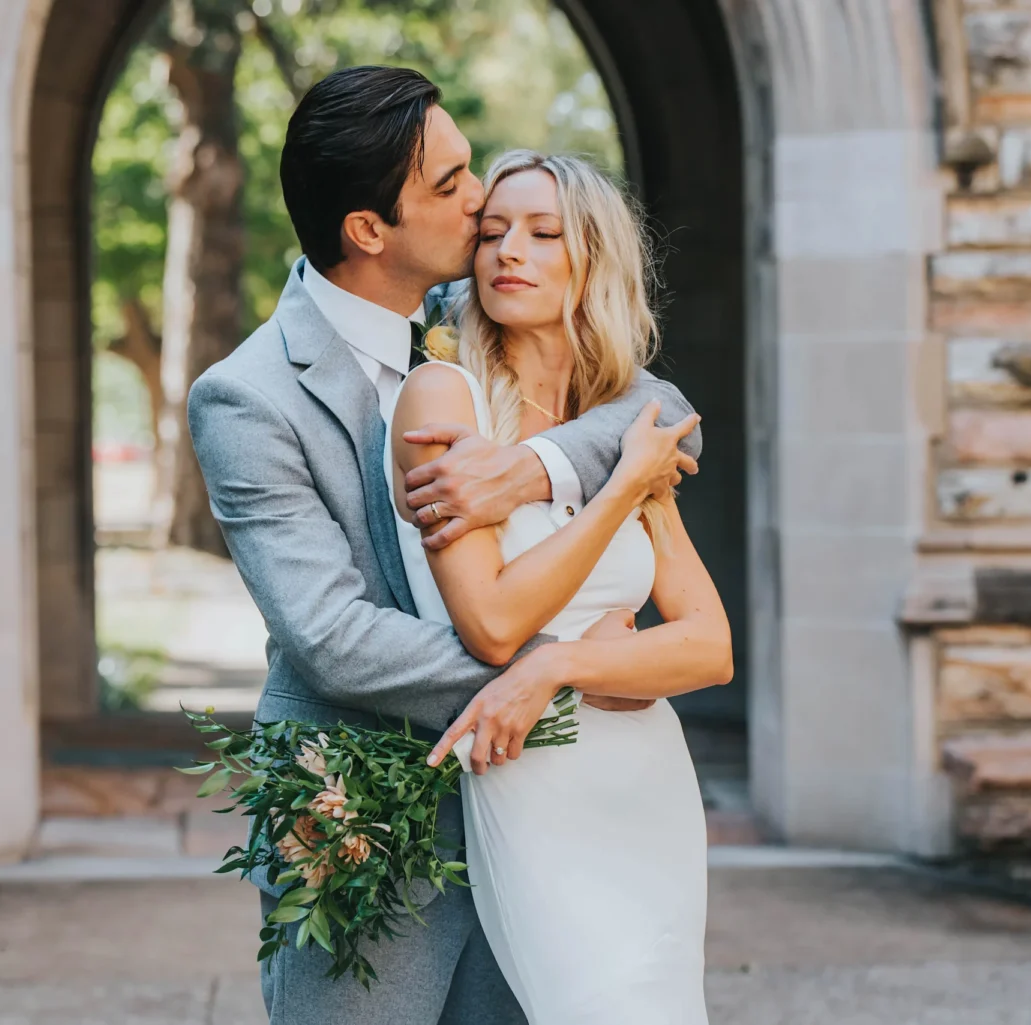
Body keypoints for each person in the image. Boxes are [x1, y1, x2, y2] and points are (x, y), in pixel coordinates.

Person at [187, 66, 700, 1024]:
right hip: (363, 811)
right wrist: (557, 668)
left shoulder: (476, 323)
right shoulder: (249, 397)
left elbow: (669, 415)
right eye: (451, 184)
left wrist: (537, 466)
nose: (481, 205)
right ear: (369, 230)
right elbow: (330, 634)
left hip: (533, 809)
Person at [388, 151, 733, 1023]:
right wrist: (620, 487)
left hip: (646, 785)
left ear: (593, 263)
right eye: (494, 232)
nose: (511, 251)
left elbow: (710, 645)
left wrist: (563, 665)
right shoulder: (444, 397)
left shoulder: (623, 417)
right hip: (533, 782)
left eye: (545, 234)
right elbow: (495, 625)